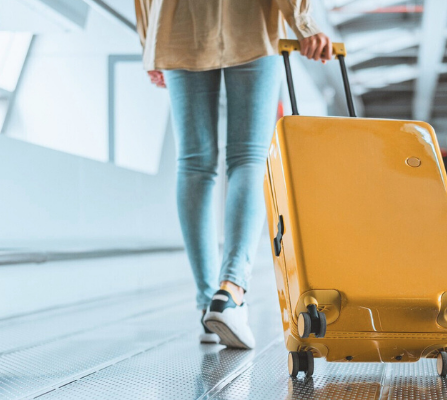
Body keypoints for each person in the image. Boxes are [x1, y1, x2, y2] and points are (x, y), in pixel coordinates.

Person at [134, 0, 335, 349]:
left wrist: (150, 39)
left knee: (194, 164)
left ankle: (206, 306)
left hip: (178, 23)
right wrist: (303, 22)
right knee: (248, 157)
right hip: (251, 23)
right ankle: (231, 292)